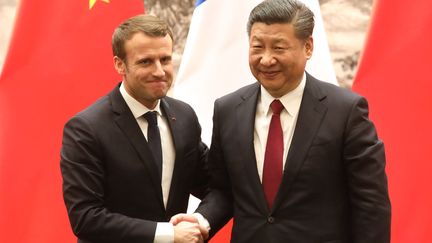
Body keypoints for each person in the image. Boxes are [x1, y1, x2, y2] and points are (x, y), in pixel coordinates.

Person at [171, 0, 391, 242]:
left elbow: (371, 204)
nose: (266, 59)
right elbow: (223, 190)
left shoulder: (346, 111)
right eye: (257, 47)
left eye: (278, 48)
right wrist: (201, 219)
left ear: (308, 47)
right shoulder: (228, 110)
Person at [60, 14, 208, 243]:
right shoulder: (85, 129)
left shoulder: (185, 116)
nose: (159, 71)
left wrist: (201, 221)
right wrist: (169, 234)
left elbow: (214, 184)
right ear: (120, 64)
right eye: (146, 61)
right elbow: (86, 217)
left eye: (165, 59)